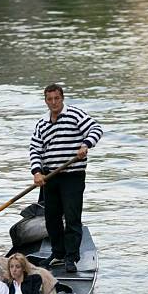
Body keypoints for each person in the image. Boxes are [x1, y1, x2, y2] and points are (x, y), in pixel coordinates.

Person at [30, 83, 103, 273]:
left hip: (73, 175)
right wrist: (37, 172)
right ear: (46, 101)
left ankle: (71, 257)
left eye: (57, 98)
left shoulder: (75, 115)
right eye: (50, 99)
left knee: (72, 217)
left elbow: (96, 129)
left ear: (62, 98)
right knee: (51, 218)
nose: (54, 102)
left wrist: (86, 144)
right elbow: (35, 149)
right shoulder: (42, 123)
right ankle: (58, 253)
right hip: (50, 176)